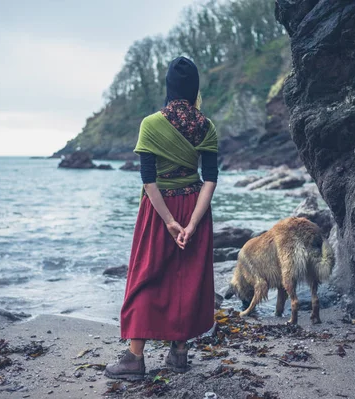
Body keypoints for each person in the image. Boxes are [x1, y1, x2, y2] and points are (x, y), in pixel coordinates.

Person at [105, 56, 218, 381]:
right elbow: (210, 177)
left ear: (169, 88)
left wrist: (169, 221)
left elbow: (148, 179)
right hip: (195, 205)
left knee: (146, 276)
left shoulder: (151, 124)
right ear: (194, 88)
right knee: (187, 278)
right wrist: (193, 222)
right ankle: (179, 352)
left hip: (159, 211)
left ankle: (135, 358)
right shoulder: (206, 126)